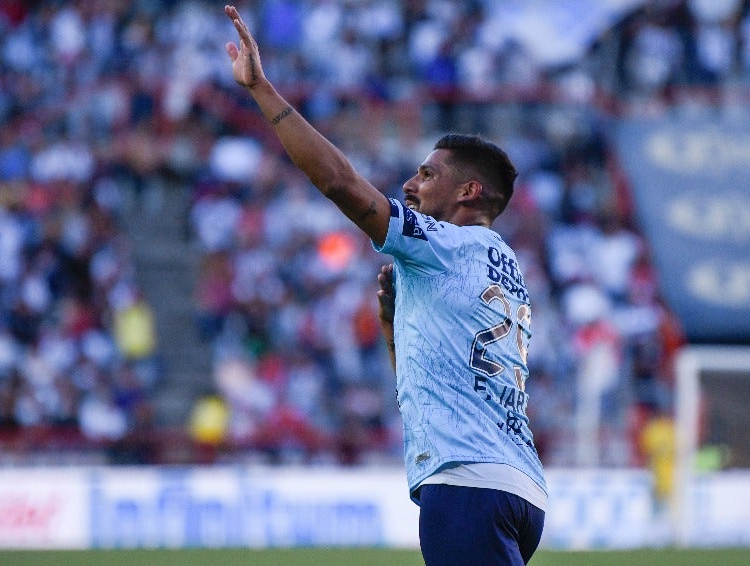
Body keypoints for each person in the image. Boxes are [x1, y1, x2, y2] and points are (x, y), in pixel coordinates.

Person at [224, 6, 547, 564]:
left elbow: (340, 183)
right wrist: (394, 332)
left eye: (428, 174)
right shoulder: (504, 265)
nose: (411, 183)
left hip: (466, 484)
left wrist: (261, 89)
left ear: (469, 192)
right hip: (519, 488)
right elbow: (431, 387)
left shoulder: (446, 245)